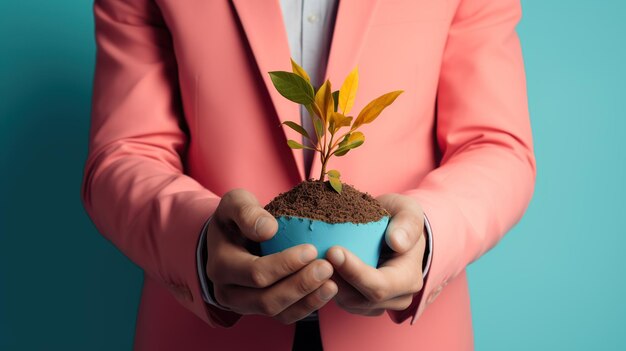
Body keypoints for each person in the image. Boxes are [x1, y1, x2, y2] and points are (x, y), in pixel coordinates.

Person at [81, 0, 535, 350]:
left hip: (402, 336)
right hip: (207, 330)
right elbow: (124, 152)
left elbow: (496, 145)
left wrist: (427, 236)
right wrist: (199, 243)